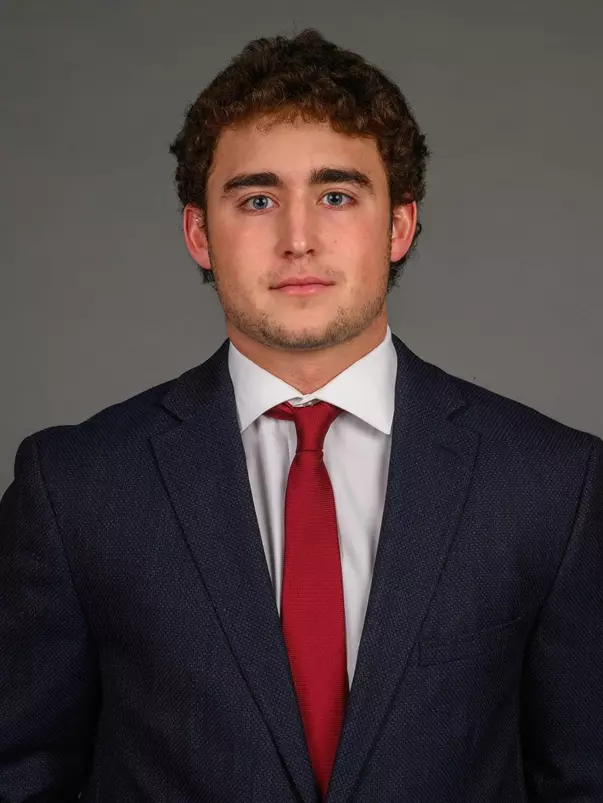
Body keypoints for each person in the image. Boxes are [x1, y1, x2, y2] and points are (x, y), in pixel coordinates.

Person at [1, 27, 602, 803]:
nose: (298, 239)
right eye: (256, 199)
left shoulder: (553, 483)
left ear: (398, 227)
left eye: (336, 195)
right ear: (198, 234)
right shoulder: (74, 488)